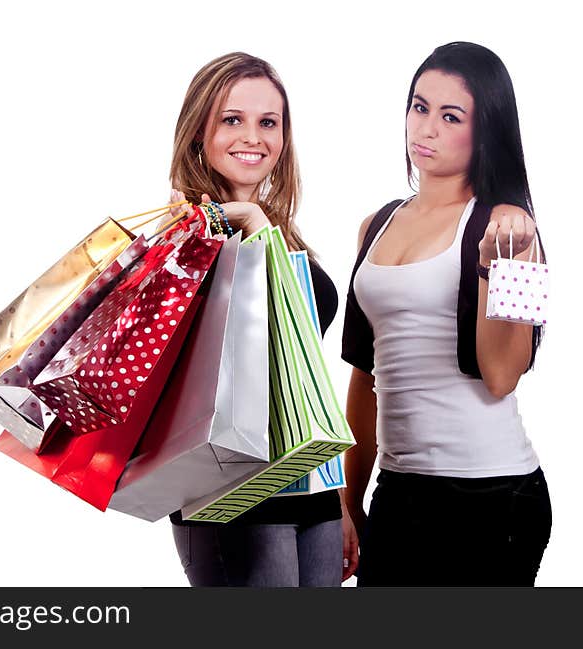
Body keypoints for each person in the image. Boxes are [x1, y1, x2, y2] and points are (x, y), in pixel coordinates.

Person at [341, 42, 552, 586]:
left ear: (486, 132)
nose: (426, 128)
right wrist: (348, 498)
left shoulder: (512, 228)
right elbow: (365, 377)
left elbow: (502, 376)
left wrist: (490, 268)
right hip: (399, 489)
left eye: (450, 116)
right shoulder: (375, 225)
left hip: (491, 494)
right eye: (419, 107)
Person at [165, 52, 345, 587]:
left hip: (309, 483)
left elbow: (298, 373)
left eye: (269, 122)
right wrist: (255, 224)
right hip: (232, 490)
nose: (254, 136)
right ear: (200, 130)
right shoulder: (187, 237)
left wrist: (335, 494)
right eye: (232, 119)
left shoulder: (282, 231)